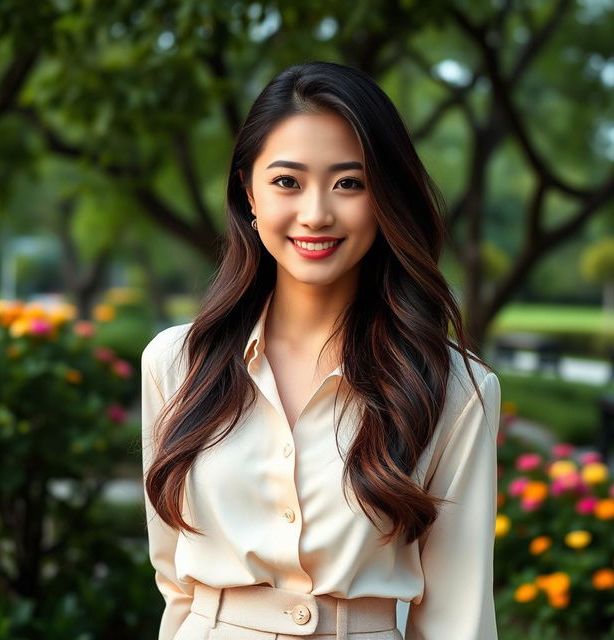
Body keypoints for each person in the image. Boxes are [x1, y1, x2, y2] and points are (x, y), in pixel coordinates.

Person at [141, 60, 501, 640]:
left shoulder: (454, 387)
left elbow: (459, 618)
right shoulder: (176, 363)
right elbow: (174, 584)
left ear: (384, 197)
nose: (316, 213)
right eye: (287, 181)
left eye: (349, 183)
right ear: (247, 191)